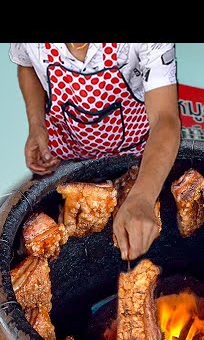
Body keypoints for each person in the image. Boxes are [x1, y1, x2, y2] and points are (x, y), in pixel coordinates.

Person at [9, 43, 181, 262]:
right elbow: (27, 65)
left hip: (136, 161)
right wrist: (37, 125)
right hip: (63, 156)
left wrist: (142, 196)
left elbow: (165, 118)